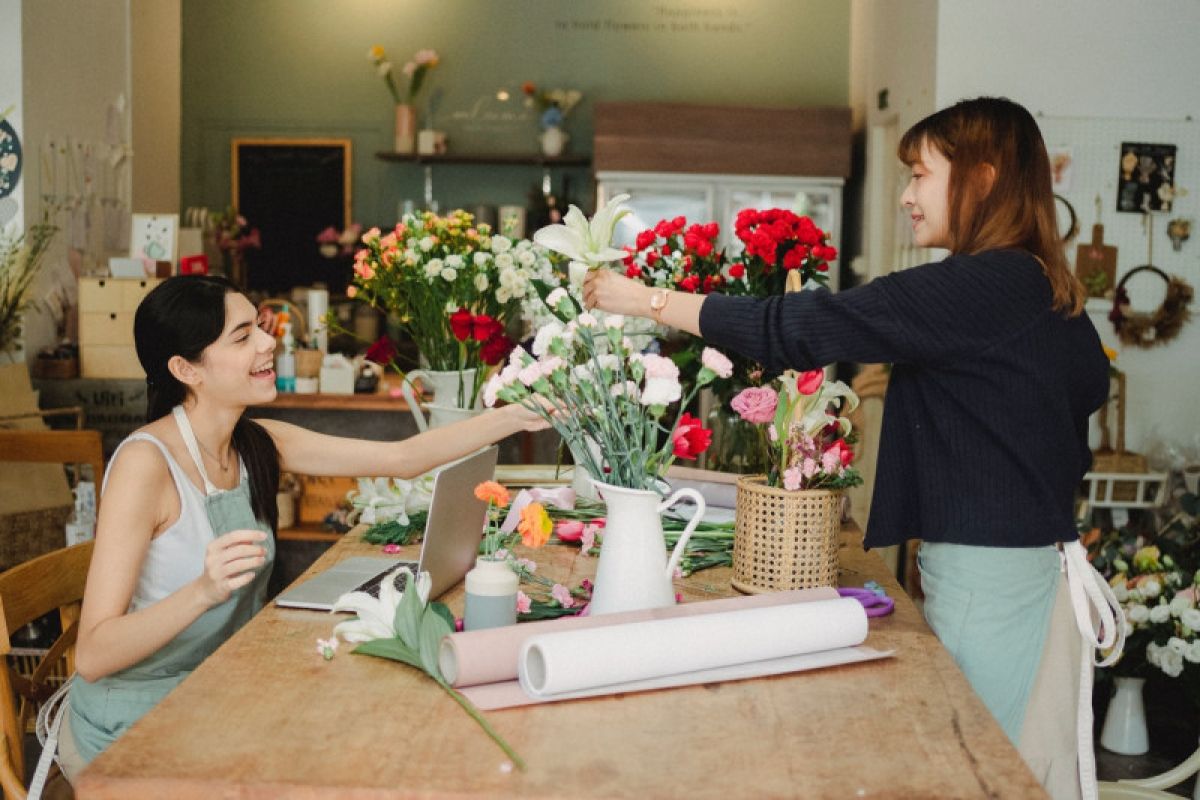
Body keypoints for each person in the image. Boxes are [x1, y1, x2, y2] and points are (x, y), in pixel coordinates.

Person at [583, 97, 1115, 799]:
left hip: (994, 586)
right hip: (1027, 575)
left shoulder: (983, 285)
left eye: (921, 174)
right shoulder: (1045, 289)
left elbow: (798, 326)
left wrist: (644, 300)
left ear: (982, 179)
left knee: (976, 773)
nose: (906, 195)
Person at [58, 274, 548, 778]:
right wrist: (203, 591)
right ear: (187, 369)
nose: (269, 343)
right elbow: (93, 655)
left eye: (260, 327)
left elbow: (402, 458)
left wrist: (514, 416)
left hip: (217, 688)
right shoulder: (146, 463)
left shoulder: (254, 442)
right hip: (134, 718)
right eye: (243, 336)